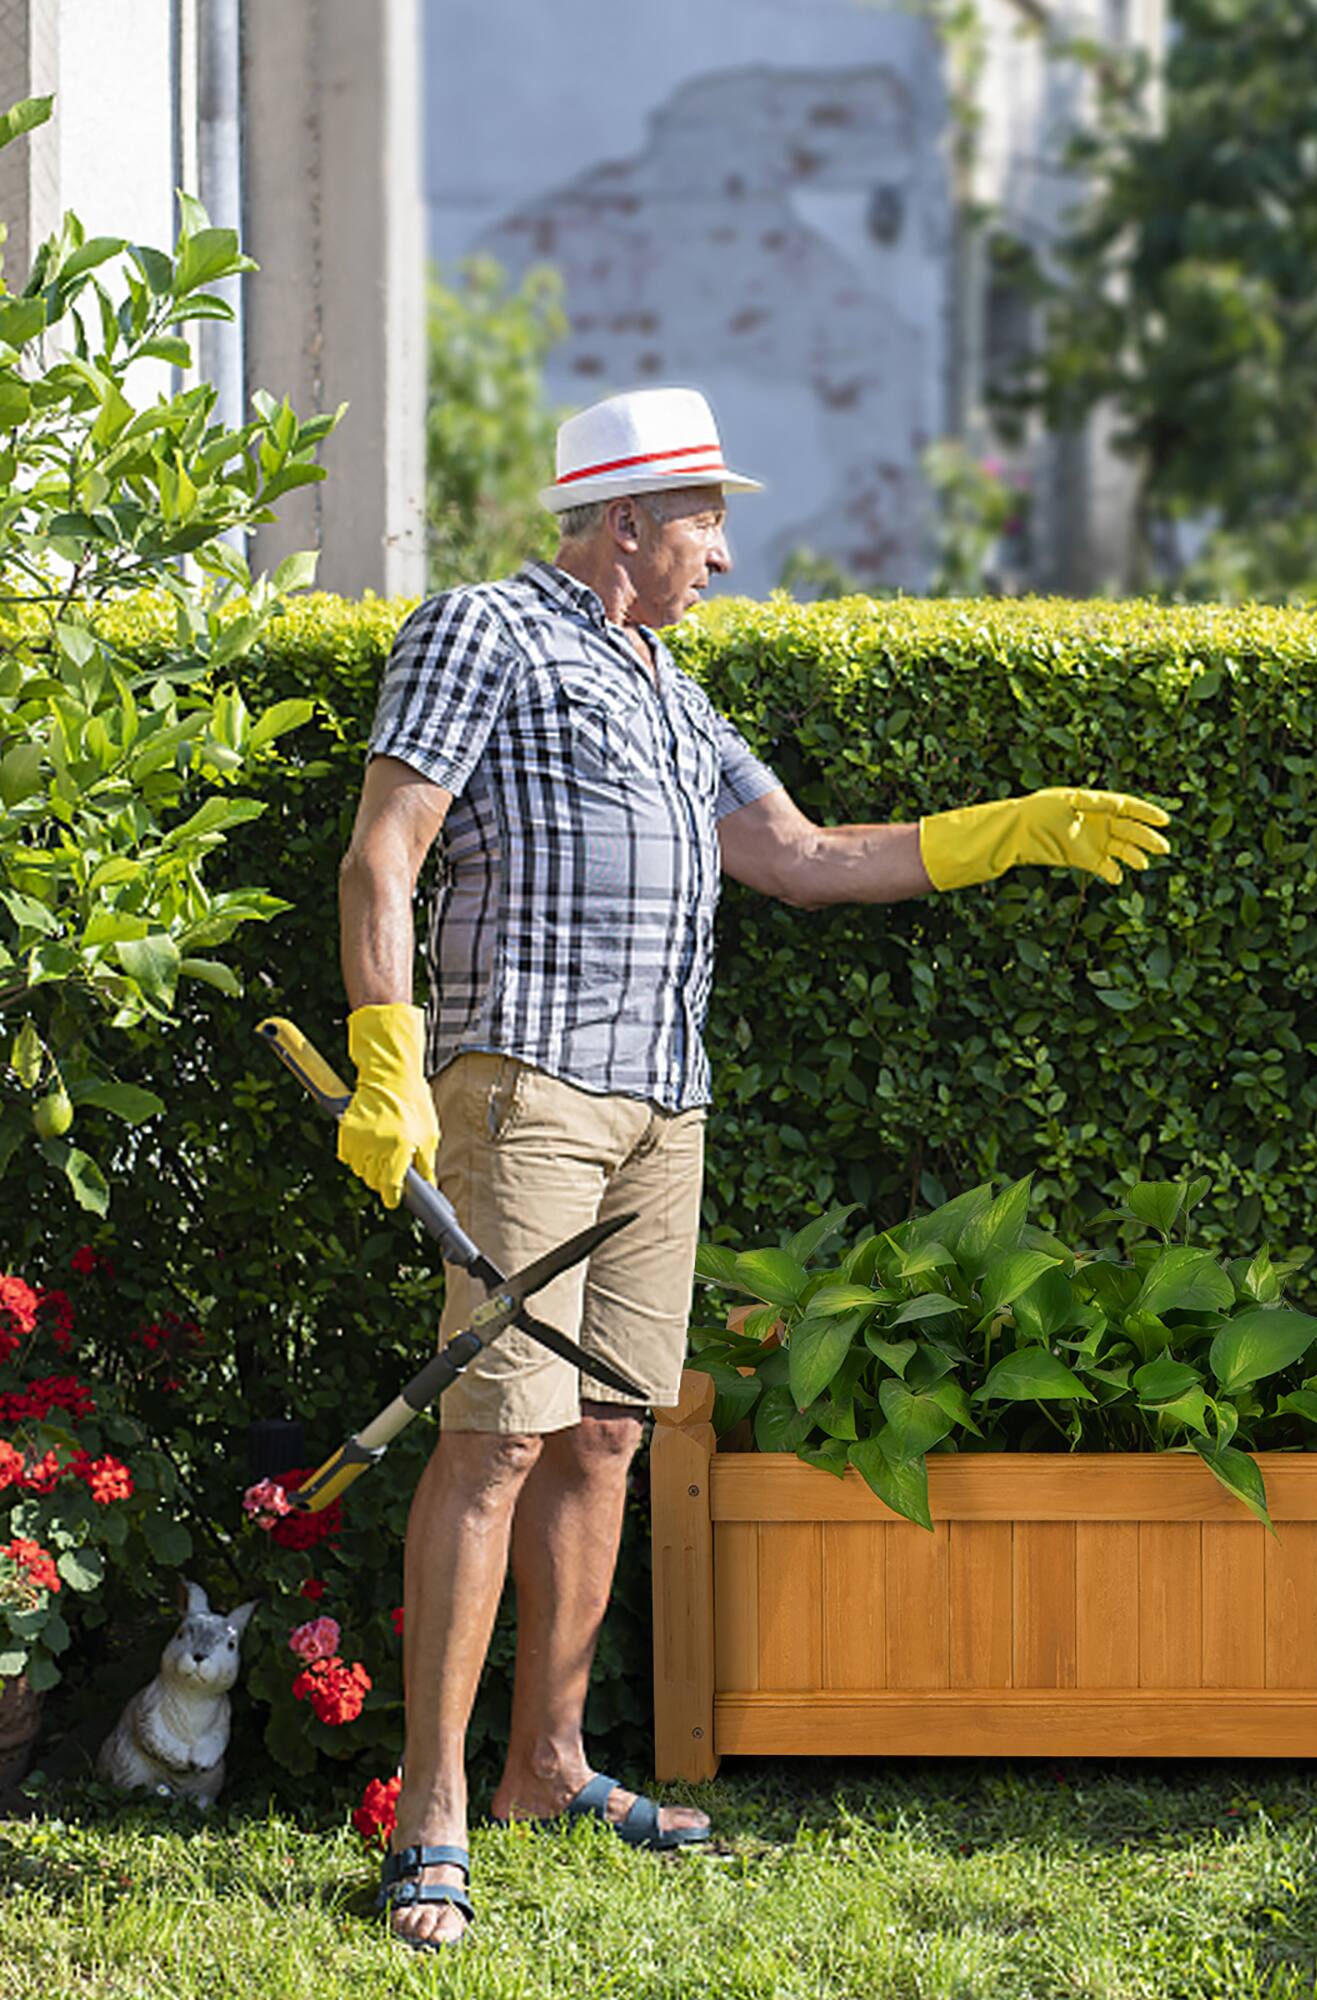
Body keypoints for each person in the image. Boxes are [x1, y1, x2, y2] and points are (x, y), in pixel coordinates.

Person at [335, 386, 1172, 1950]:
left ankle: (548, 1768)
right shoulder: (486, 632)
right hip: (524, 1087)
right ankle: (434, 1810)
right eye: (707, 518)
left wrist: (1008, 832)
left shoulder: (667, 688)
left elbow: (797, 857)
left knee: (601, 1440)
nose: (723, 553)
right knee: (496, 1441)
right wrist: (390, 1053)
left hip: (665, 1105)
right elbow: (386, 846)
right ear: (628, 519)